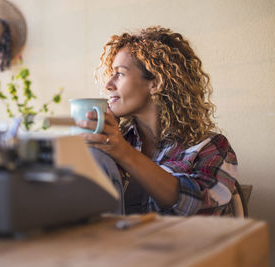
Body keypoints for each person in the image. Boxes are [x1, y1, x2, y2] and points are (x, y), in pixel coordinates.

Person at [78, 26, 238, 216]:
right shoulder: (112, 141)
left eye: (119, 73)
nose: (108, 84)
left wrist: (123, 152)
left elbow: (195, 207)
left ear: (155, 83)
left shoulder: (210, 148)